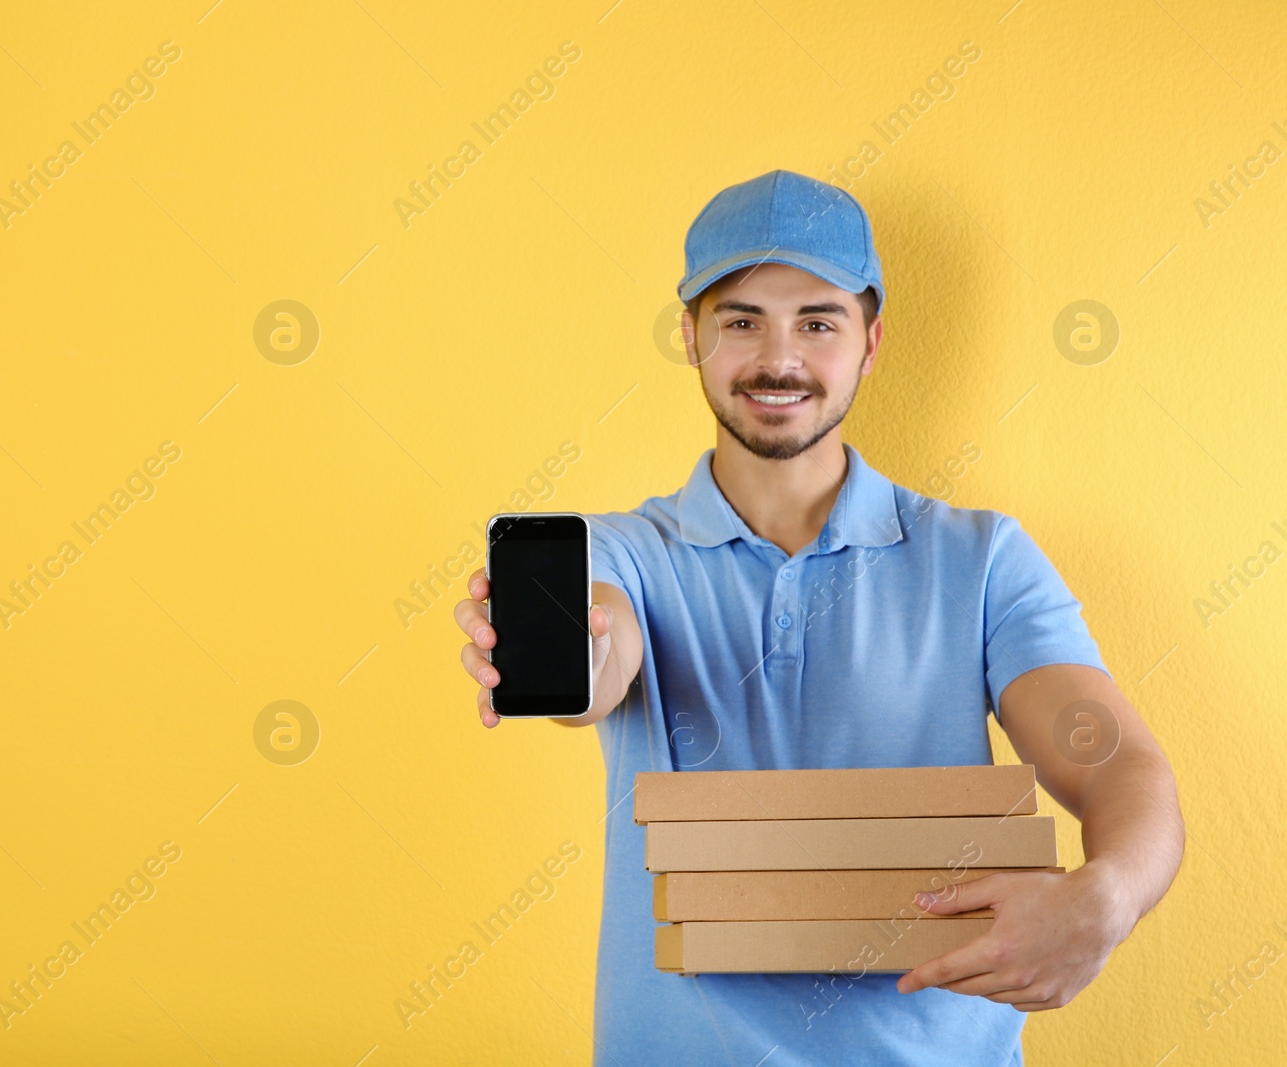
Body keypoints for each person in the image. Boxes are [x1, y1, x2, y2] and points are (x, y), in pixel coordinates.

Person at [453, 169, 1184, 1065]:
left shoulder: (981, 557)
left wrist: (1106, 898)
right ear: (690, 336)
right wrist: (575, 653)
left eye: (818, 321)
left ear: (871, 343)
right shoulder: (621, 555)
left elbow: (1117, 761)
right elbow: (602, 657)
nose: (779, 357)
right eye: (741, 319)